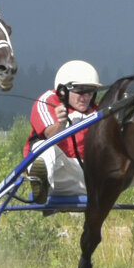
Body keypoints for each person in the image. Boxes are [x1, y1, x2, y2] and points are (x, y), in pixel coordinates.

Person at [24, 60, 102, 202]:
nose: (86, 97)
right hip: (57, 178)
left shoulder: (98, 112)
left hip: (87, 179)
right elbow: (49, 136)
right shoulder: (47, 101)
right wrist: (61, 123)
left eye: (90, 92)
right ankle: (40, 186)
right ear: (62, 90)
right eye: (80, 91)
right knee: (42, 148)